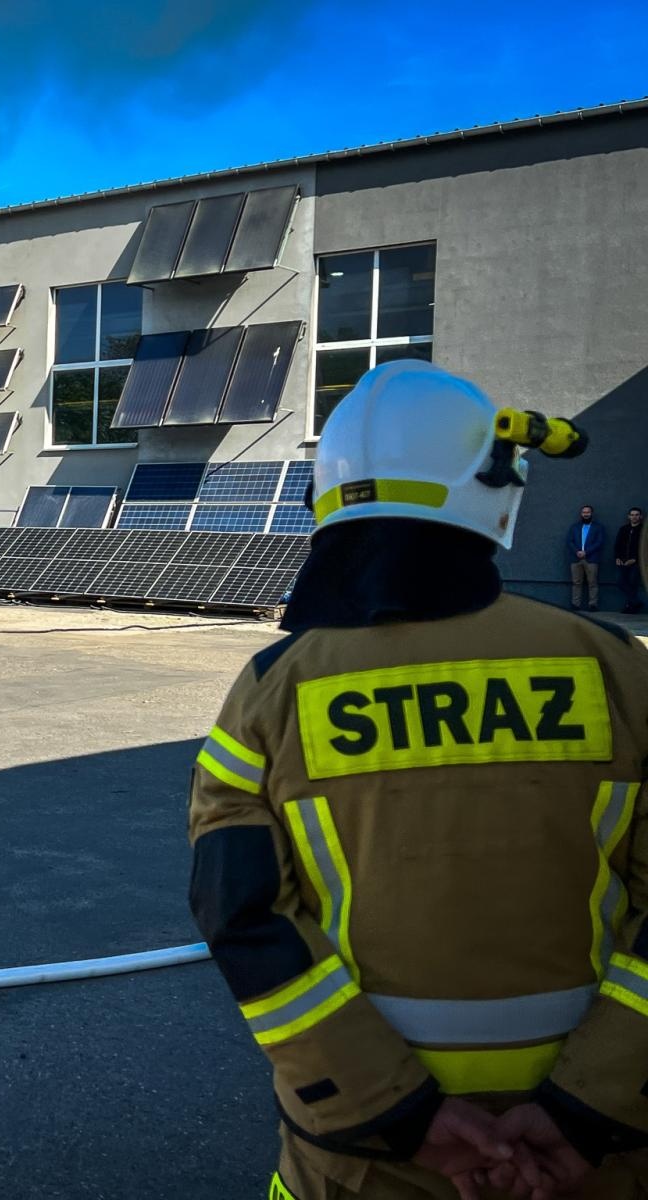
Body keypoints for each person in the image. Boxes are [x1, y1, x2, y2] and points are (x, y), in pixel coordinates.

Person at [188, 362, 648, 1200]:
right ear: (497, 487)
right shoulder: (616, 670)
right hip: (597, 1152)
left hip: (368, 1159)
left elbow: (244, 916)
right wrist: (587, 1108)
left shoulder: (272, 689)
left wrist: (396, 1113)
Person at [567, 504, 607, 612]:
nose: (586, 514)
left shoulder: (598, 527)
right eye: (584, 512)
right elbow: (570, 541)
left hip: (591, 558)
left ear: (591, 514)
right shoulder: (574, 527)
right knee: (576, 582)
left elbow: (599, 542)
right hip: (576, 558)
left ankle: (593, 604)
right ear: (581, 514)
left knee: (592, 582)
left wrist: (586, 552)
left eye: (588, 512)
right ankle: (575, 604)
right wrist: (577, 551)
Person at [614, 507, 643, 615]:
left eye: (636, 515)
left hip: (636, 562)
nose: (634, 517)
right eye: (632, 515)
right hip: (622, 561)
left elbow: (644, 548)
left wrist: (634, 559)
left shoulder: (643, 530)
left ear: (640, 516)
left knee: (632, 583)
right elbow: (617, 545)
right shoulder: (624, 529)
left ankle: (631, 607)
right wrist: (617, 557)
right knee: (620, 581)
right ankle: (636, 602)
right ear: (629, 516)